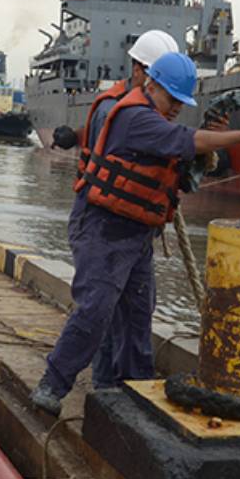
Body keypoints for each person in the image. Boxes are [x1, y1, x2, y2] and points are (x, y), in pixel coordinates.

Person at [30, 52, 240, 416]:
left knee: (137, 314)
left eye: (181, 101)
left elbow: (180, 151)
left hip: (136, 232)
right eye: (172, 99)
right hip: (103, 229)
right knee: (96, 310)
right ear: (151, 84)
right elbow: (186, 141)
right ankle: (52, 385)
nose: (176, 107)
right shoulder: (135, 118)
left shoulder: (152, 114)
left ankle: (134, 390)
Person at [52, 29, 179, 391]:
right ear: (139, 70)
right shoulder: (120, 110)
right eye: (157, 77)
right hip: (103, 221)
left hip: (134, 225)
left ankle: (125, 386)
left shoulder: (143, 110)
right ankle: (78, 384)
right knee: (100, 307)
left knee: (136, 310)